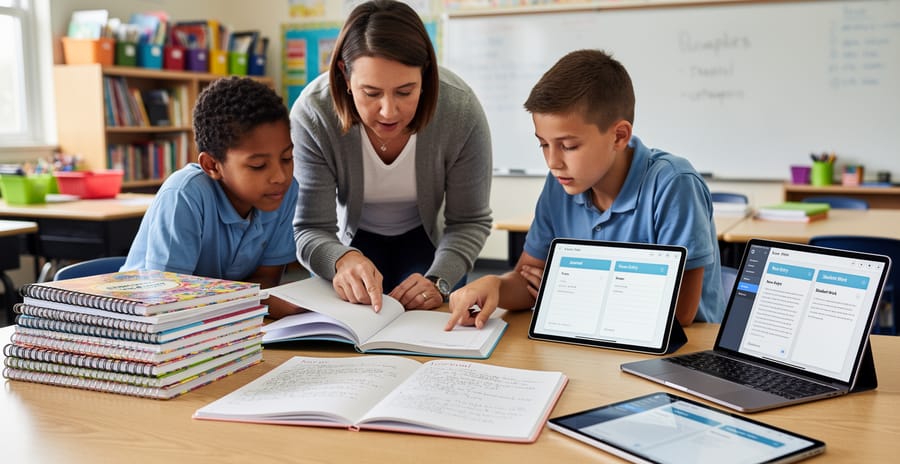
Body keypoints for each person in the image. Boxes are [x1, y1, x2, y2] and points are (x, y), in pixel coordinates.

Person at [447, 49, 724, 330]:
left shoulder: (674, 184)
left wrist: (568, 291)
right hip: (589, 338)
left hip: (678, 351)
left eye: (568, 146)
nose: (553, 162)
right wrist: (496, 285)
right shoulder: (560, 184)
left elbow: (679, 313)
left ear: (618, 136)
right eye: (543, 144)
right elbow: (529, 280)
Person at [290, 0, 493, 313]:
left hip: (429, 243)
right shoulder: (314, 114)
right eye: (371, 93)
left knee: (431, 321)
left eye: (405, 91)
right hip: (352, 242)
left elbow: (469, 221)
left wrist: (440, 280)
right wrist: (341, 259)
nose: (388, 111)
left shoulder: (460, 109)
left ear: (425, 74)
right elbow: (309, 228)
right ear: (344, 75)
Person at [122, 76, 300, 318]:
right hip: (146, 326)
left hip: (218, 324)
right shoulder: (184, 196)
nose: (280, 176)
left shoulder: (285, 193)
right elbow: (167, 300)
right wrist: (258, 302)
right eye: (258, 165)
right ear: (212, 165)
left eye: (287, 158)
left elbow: (266, 281)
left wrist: (259, 300)